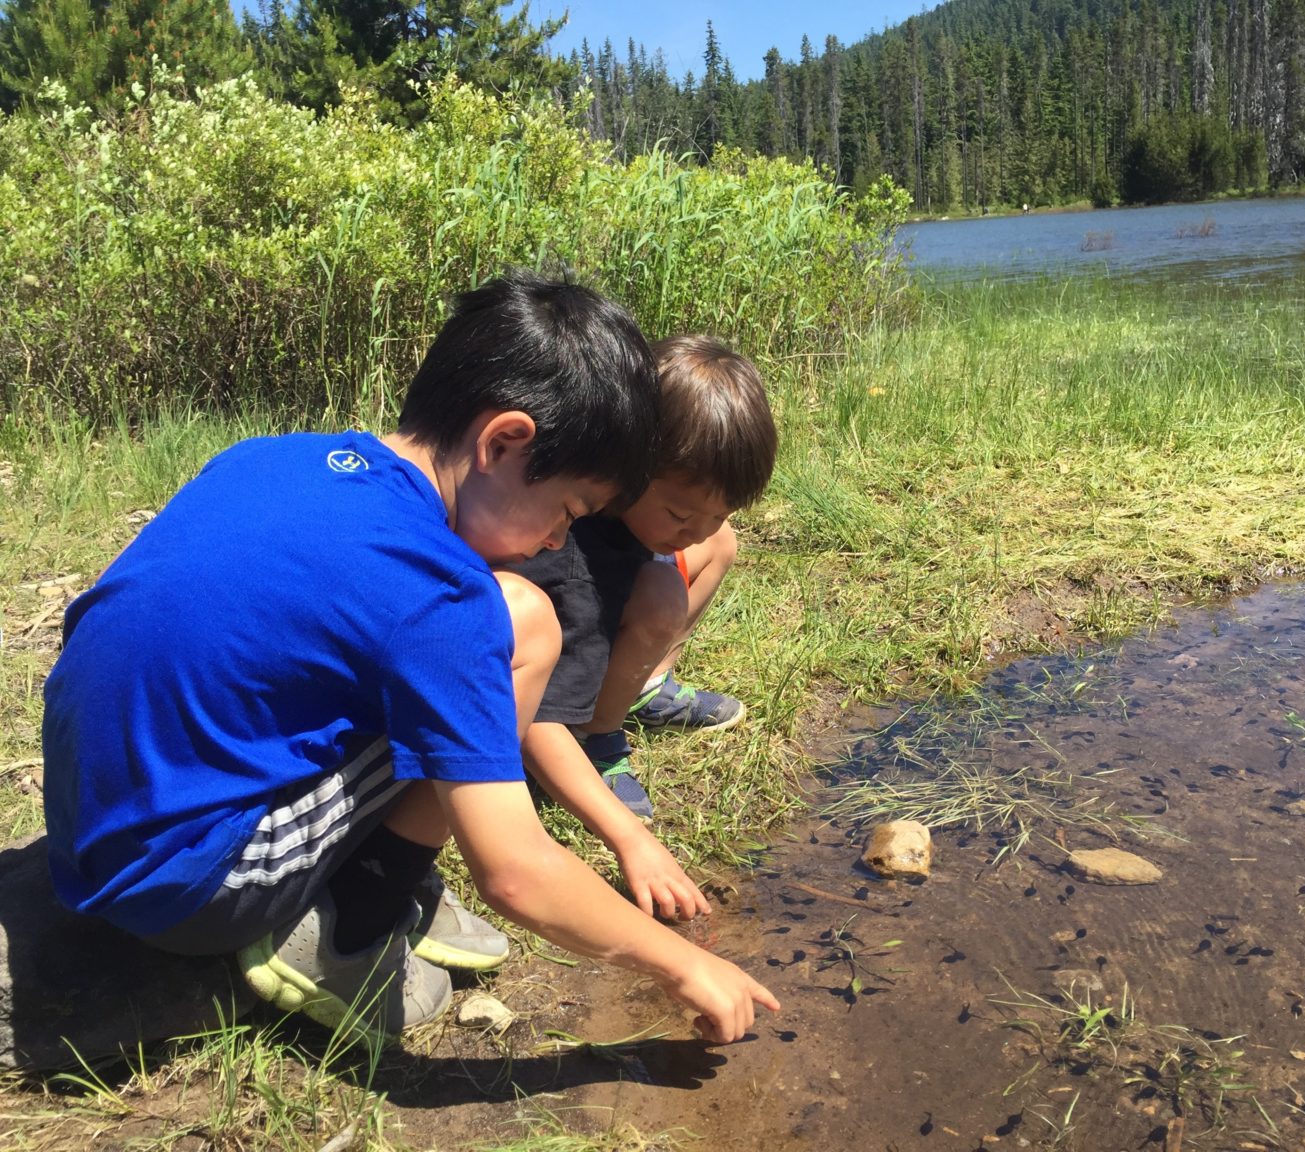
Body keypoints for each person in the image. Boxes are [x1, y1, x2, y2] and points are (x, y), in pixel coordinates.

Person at [41, 272, 778, 1045]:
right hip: (183, 882)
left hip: (93, 812)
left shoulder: (279, 456)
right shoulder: (438, 596)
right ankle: (353, 928)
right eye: (566, 511)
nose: (559, 541)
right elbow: (515, 871)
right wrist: (681, 965)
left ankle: (376, 868)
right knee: (521, 626)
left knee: (462, 655)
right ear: (503, 441)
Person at [508, 335, 776, 920]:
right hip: (535, 678)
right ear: (629, 465)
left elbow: (702, 529)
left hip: (614, 575)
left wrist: (696, 526)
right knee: (659, 598)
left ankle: (642, 685)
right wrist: (627, 838)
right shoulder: (573, 565)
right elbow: (535, 725)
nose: (697, 530)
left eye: (717, 511)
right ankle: (600, 735)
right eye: (681, 513)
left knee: (717, 552)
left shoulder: (660, 518)